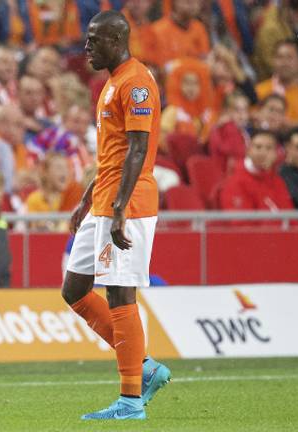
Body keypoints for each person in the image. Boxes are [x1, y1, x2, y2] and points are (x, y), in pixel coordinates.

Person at [62, 11, 170, 420]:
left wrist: (121, 208)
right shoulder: (111, 83)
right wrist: (88, 195)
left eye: (94, 40)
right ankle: (145, 367)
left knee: (120, 292)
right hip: (105, 200)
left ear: (116, 39)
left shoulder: (136, 82)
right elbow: (114, 153)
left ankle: (130, 401)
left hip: (128, 203)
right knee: (73, 289)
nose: (86, 47)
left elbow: (139, 151)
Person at [220, 129, 297, 226]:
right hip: (259, 239)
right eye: (258, 147)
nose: (263, 152)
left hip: (285, 237)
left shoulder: (278, 181)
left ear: (276, 154)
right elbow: (241, 225)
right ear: (248, 150)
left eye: (268, 148)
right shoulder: (235, 182)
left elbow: (292, 218)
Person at [255, 40, 298, 125]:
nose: (284, 62)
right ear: (273, 61)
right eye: (279, 57)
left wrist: (293, 126)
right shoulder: (260, 90)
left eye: (290, 57)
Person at [25, 152, 84, 232]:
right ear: (45, 172)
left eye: (66, 167)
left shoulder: (72, 196)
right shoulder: (34, 199)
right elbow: (34, 229)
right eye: (59, 167)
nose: (64, 172)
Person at [145, 0, 210, 67]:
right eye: (188, 1)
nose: (192, 3)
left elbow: (204, 61)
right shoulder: (156, 31)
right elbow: (156, 68)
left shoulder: (199, 28)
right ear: (174, 2)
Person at [209, 92, 251, 175]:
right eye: (237, 110)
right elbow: (239, 153)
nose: (242, 115)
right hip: (227, 177)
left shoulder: (240, 130)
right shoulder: (228, 128)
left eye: (245, 110)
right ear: (226, 111)